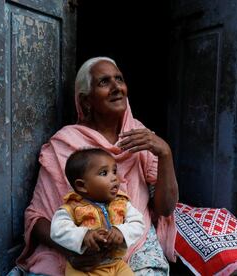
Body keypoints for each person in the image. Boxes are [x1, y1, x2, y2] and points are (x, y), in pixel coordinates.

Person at [13, 56, 179, 276]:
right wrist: (73, 249)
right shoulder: (64, 143)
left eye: (119, 79)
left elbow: (165, 209)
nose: (116, 87)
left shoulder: (142, 137)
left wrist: (165, 153)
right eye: (104, 82)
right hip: (78, 251)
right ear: (85, 101)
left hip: (134, 247)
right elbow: (36, 217)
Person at [50, 148, 145, 275]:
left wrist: (121, 231)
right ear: (81, 186)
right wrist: (84, 235)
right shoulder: (72, 207)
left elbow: (138, 223)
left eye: (114, 171)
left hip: (116, 264)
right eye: (104, 173)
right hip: (83, 267)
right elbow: (58, 229)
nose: (114, 178)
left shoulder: (122, 204)